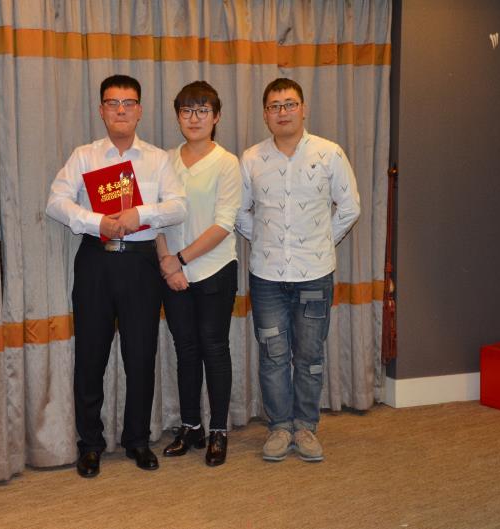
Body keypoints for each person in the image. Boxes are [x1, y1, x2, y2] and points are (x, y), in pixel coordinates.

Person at [46, 74, 187, 478]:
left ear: (139, 110)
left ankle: (137, 440)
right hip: (96, 260)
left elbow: (178, 206)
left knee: (140, 355)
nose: (120, 110)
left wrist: (140, 214)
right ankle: (90, 444)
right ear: (101, 110)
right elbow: (56, 202)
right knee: (91, 356)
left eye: (128, 103)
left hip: (141, 264)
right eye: (112, 103)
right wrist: (97, 222)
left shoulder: (158, 159)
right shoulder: (84, 156)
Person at [236, 78, 360, 463]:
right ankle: (279, 427)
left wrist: (320, 241)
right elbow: (239, 212)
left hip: (314, 276)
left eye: (289, 104)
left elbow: (350, 208)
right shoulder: (251, 159)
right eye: (274, 106)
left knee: (309, 355)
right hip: (267, 278)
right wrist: (264, 239)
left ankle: (305, 426)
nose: (283, 112)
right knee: (273, 354)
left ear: (303, 109)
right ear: (265, 114)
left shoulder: (329, 154)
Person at [156, 81, 242, 467]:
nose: (194, 118)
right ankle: (191, 427)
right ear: (177, 116)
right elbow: (157, 218)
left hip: (215, 270)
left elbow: (224, 223)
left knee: (214, 347)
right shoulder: (165, 161)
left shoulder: (227, 162)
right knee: (185, 349)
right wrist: (166, 262)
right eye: (187, 111)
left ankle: (219, 430)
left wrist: (180, 259)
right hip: (173, 273)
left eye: (202, 110)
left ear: (216, 116)